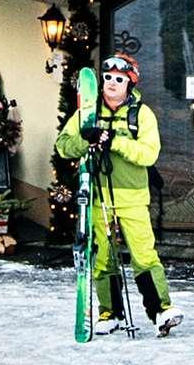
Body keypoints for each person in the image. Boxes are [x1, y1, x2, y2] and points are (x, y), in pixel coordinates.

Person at [55, 47, 175, 334]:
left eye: (119, 79)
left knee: (144, 255)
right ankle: (110, 313)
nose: (111, 83)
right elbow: (63, 145)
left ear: (130, 83)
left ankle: (161, 311)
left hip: (132, 198)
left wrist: (114, 142)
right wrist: (87, 140)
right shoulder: (88, 112)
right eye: (107, 77)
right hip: (98, 197)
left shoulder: (142, 115)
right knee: (103, 257)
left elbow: (149, 154)